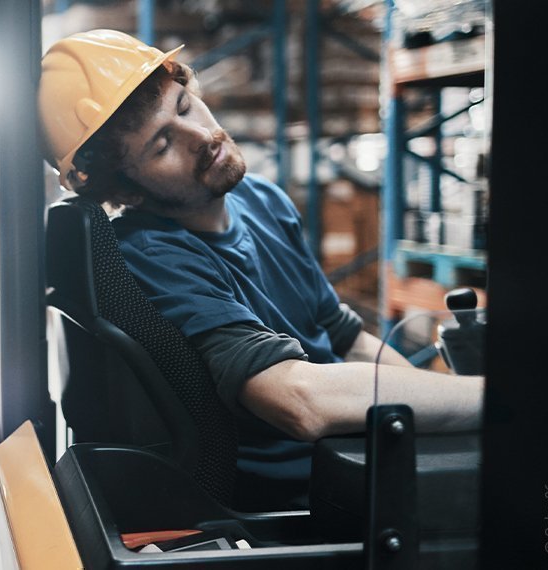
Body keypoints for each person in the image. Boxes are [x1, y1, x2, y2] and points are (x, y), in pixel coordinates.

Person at [38, 29, 483, 510]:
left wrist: (457, 404)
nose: (202, 137)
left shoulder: (262, 199)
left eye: (185, 107)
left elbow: (344, 338)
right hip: (298, 496)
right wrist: (492, 399)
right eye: (162, 145)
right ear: (123, 191)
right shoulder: (152, 255)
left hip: (353, 451)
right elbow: (300, 402)